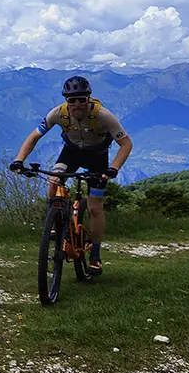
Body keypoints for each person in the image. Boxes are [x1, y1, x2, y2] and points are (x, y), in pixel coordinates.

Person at [9, 75, 132, 276]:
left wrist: (114, 168)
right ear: (66, 99)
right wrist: (19, 160)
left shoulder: (103, 115)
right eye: (71, 99)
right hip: (71, 153)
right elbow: (34, 137)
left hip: (97, 157)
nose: (76, 104)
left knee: (94, 206)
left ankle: (95, 256)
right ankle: (53, 224)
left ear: (89, 98)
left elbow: (126, 144)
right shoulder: (58, 113)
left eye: (81, 99)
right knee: (53, 181)